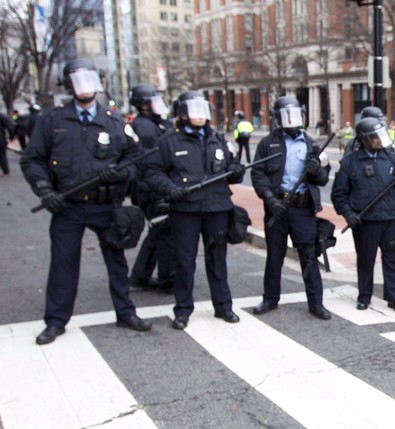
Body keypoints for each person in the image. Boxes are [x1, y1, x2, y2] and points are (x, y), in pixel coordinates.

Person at [21, 59, 151, 345]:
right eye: (77, 81)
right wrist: (44, 190)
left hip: (106, 205)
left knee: (116, 261)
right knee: (63, 264)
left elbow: (135, 158)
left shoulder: (115, 122)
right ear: (68, 85)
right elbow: (32, 160)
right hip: (66, 205)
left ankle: (125, 312)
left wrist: (121, 174)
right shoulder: (53, 121)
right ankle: (55, 321)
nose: (84, 87)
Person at [145, 91, 245, 330]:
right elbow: (152, 171)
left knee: (217, 259)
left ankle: (223, 306)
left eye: (203, 111)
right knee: (184, 261)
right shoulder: (170, 140)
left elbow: (229, 167)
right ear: (182, 113)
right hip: (186, 210)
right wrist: (170, 188)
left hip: (217, 208)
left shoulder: (218, 139)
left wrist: (236, 170)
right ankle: (183, 310)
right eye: (194, 111)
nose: (200, 116)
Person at [250, 96, 332, 320]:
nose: (291, 120)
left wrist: (316, 170)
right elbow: (258, 174)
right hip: (277, 206)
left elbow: (324, 178)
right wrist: (269, 199)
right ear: (277, 118)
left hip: (302, 208)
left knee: (308, 255)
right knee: (275, 255)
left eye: (294, 115)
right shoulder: (268, 143)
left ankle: (316, 303)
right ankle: (270, 298)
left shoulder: (311, 144)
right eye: (286, 116)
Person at [332, 117, 395, 312]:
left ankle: (394, 297)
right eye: (375, 137)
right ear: (365, 139)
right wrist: (348, 213)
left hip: (390, 218)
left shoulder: (391, 157)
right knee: (366, 260)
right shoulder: (350, 162)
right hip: (365, 221)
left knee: (391, 260)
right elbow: (338, 193)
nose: (379, 140)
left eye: (380, 136)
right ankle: (364, 296)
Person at [127, 83, 175, 293]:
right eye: (151, 101)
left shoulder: (154, 123)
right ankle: (165, 279)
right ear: (142, 105)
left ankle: (140, 276)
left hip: (150, 187)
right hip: (152, 189)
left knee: (158, 231)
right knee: (163, 232)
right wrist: (160, 191)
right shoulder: (145, 127)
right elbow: (151, 162)